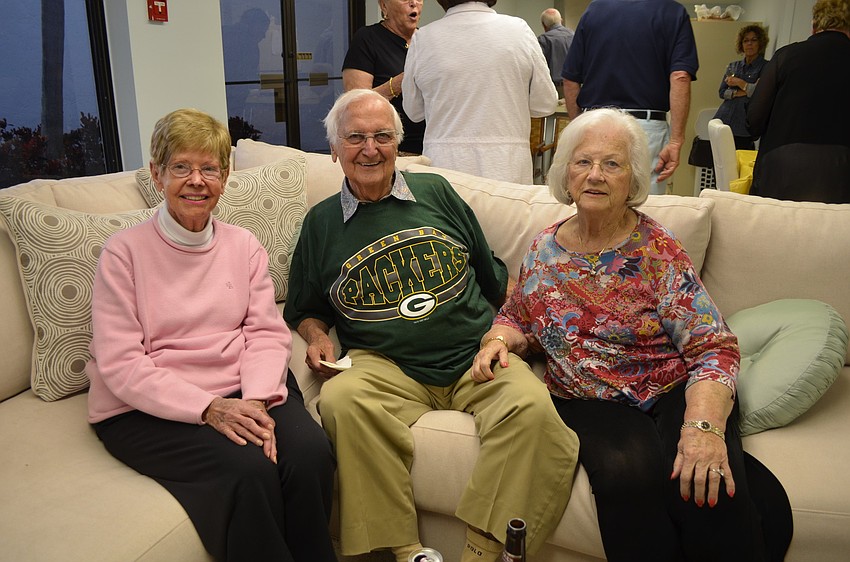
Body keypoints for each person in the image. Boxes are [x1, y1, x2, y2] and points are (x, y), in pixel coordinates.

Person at [473, 108, 794, 562]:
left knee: (703, 485)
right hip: (586, 398)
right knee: (627, 474)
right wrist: (497, 340)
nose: (595, 175)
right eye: (583, 162)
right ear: (566, 174)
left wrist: (703, 427)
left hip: (670, 386)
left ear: (633, 179)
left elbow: (713, 347)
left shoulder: (657, 249)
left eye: (612, 164)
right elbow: (518, 316)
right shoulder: (544, 249)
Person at [283, 89, 578, 562]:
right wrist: (317, 337)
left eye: (382, 136)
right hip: (386, 368)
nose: (370, 149)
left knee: (531, 407)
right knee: (341, 400)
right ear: (334, 149)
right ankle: (406, 550)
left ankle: (483, 551)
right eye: (355, 138)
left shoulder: (436, 192)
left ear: (398, 144)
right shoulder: (320, 224)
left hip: (473, 356)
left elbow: (491, 274)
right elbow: (305, 307)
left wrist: (522, 330)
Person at [87, 109, 337, 562]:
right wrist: (209, 408)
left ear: (225, 176)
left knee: (310, 453)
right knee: (249, 471)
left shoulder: (243, 245)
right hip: (146, 406)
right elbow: (121, 364)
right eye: (181, 167)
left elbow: (266, 333)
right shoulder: (123, 254)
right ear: (157, 174)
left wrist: (256, 401)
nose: (196, 181)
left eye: (209, 168)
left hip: (244, 386)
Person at [402, 0, 557, 184]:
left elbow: (414, 112)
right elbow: (545, 103)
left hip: (444, 168)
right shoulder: (519, 30)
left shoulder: (422, 38)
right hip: (506, 167)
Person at [561, 0, 698, 192]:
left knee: (594, 196)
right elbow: (680, 76)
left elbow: (570, 79)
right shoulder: (673, 13)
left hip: (594, 122)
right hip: (645, 129)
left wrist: (578, 125)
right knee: (644, 202)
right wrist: (676, 140)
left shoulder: (594, 10)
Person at [747, 0, 850, 203]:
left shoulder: (785, 56)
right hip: (841, 182)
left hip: (781, 175)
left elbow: (754, 121)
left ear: (814, 25)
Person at [343, 0, 426, 155]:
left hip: (432, 145)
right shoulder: (367, 38)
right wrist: (399, 83)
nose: (414, 3)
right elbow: (354, 104)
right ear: (384, 6)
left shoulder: (427, 40)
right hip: (388, 149)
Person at [713, 24, 769, 150]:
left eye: (754, 40)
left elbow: (761, 93)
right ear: (741, 44)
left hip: (745, 125)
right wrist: (743, 91)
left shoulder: (766, 67)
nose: (749, 44)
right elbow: (722, 92)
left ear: (760, 43)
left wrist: (739, 82)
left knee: (741, 159)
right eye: (746, 40)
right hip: (724, 119)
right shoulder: (733, 66)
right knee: (719, 158)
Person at [538, 8, 574, 98]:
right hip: (574, 86)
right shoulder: (574, 36)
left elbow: (539, 67)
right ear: (561, 21)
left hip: (554, 88)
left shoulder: (543, 40)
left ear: (544, 25)